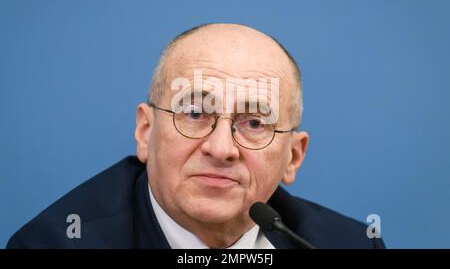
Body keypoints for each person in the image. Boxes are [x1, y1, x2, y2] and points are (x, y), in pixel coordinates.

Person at [6, 23, 385, 249]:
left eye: (254, 123)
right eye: (194, 113)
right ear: (145, 131)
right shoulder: (54, 244)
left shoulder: (347, 243)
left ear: (293, 157)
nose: (221, 149)